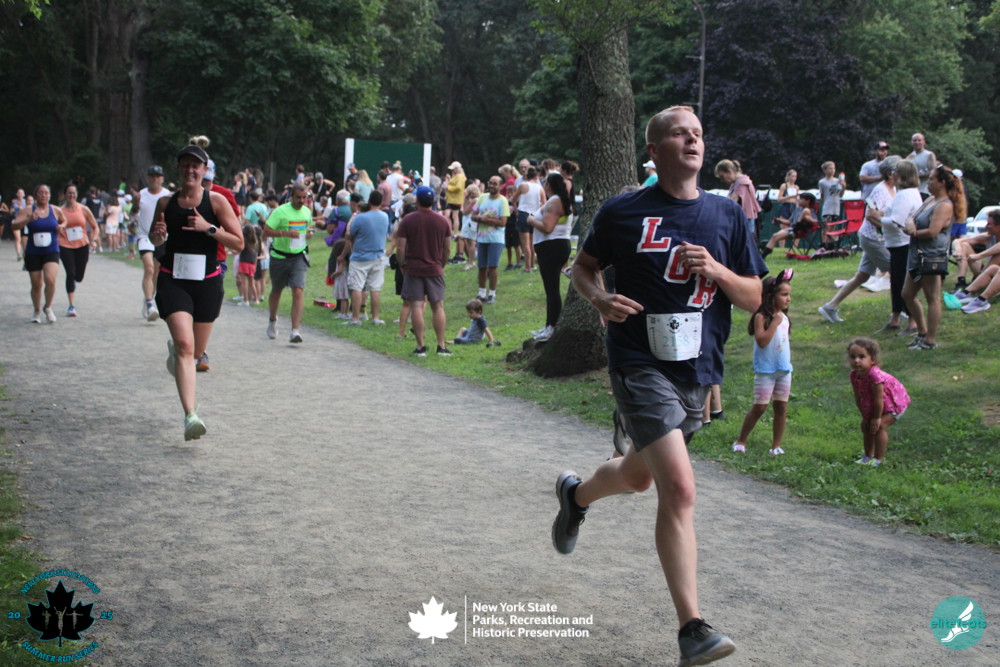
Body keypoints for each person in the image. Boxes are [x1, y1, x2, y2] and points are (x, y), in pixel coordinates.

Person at [552, 105, 765, 667]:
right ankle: (693, 629)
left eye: (698, 134)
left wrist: (717, 271)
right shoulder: (623, 211)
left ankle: (575, 496)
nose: (692, 141)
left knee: (639, 476)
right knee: (681, 488)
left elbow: (754, 297)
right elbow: (583, 268)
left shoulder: (726, 215)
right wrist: (601, 300)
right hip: (637, 363)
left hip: (697, 367)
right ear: (654, 150)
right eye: (679, 134)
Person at [148, 144, 243, 440]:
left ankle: (179, 356)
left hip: (207, 283)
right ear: (179, 168)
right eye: (186, 164)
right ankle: (191, 415)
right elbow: (155, 238)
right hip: (173, 279)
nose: (190, 169)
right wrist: (157, 237)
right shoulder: (166, 203)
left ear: (204, 170)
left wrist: (208, 228)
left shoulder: (216, 202)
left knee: (196, 353)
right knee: (185, 345)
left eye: (196, 165)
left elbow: (239, 242)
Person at [817, 156, 899, 324]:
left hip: (875, 238)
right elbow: (870, 214)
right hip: (873, 239)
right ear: (890, 174)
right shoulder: (881, 190)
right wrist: (887, 227)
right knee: (897, 273)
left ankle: (830, 307)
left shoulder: (894, 189)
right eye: (900, 170)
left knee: (862, 276)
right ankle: (899, 312)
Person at [901, 165, 966, 350]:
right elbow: (913, 217)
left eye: (931, 179)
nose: (927, 182)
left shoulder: (945, 205)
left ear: (942, 183)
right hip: (917, 254)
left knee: (932, 298)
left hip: (931, 257)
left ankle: (930, 340)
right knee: (907, 294)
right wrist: (909, 223)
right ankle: (922, 332)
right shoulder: (930, 199)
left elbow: (932, 232)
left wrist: (912, 232)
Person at [732, 270, 793, 456]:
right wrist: (774, 323)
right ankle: (741, 440)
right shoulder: (762, 317)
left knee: (781, 407)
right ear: (770, 296)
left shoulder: (784, 317)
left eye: (789, 295)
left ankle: (776, 446)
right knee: (760, 407)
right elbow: (762, 341)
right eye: (784, 294)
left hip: (784, 370)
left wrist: (779, 321)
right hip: (766, 371)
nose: (788, 299)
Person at [395, 185, 452, 356]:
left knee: (417, 306)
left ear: (417, 200)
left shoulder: (408, 220)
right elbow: (447, 249)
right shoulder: (443, 221)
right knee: (438, 306)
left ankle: (420, 346)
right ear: (433, 201)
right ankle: (441, 345)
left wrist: (402, 265)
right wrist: (441, 265)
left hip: (413, 268)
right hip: (434, 268)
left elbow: (400, 247)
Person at [876, 159, 923, 335]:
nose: (892, 174)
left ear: (902, 175)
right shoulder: (908, 192)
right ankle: (895, 318)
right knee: (896, 283)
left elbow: (897, 221)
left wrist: (879, 218)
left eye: (895, 171)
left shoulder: (905, 195)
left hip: (902, 244)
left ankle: (912, 322)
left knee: (903, 283)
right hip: (897, 244)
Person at [263, 182, 314, 343]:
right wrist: (285, 233)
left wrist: (309, 233)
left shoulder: (306, 211)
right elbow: (266, 231)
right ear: (291, 196)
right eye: (298, 197)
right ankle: (272, 320)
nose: (302, 201)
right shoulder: (280, 211)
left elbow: (309, 227)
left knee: (298, 290)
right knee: (276, 290)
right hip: (279, 256)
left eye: (304, 197)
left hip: (299, 256)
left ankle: (295, 331)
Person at [848, 337, 910, 467]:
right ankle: (867, 457)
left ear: (872, 359)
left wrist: (876, 418)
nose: (856, 360)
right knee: (866, 426)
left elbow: (878, 398)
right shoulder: (854, 375)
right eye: (853, 357)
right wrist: (865, 417)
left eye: (862, 357)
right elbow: (858, 397)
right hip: (878, 404)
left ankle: (878, 459)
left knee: (879, 426)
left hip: (894, 403)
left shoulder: (875, 376)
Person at [526, 172, 572, 341]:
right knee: (550, 289)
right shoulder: (557, 200)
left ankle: (552, 327)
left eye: (545, 183)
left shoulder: (554, 202)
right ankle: (548, 325)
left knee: (552, 289)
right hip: (553, 247)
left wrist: (531, 220)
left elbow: (547, 227)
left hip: (552, 247)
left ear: (549, 185)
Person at [12, 185, 67, 323]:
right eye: (41, 193)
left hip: (51, 250)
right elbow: (14, 225)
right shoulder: (28, 210)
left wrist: (61, 226)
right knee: (36, 284)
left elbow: (64, 220)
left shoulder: (55, 210)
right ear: (36, 195)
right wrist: (28, 219)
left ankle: (48, 307)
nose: (43, 195)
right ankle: (36, 311)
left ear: (50, 195)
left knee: (51, 280)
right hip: (33, 251)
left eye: (46, 193)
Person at [344, 190, 390, 326]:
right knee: (375, 288)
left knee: (357, 287)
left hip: (360, 256)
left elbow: (351, 234)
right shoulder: (385, 216)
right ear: (381, 202)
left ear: (369, 200)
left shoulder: (360, 218)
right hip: (378, 256)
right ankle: (375, 317)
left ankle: (355, 318)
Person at [136, 165, 173, 321]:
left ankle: (148, 298)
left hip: (161, 237)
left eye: (158, 176)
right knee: (149, 269)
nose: (154, 179)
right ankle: (150, 304)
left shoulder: (167, 195)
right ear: (148, 178)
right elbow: (134, 212)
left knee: (157, 273)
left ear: (162, 179)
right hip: (144, 236)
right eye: (152, 176)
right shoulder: (141, 195)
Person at [57, 184, 100, 317]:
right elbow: (54, 226)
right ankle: (71, 306)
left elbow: (95, 227)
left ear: (77, 195)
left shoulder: (84, 209)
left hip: (82, 245)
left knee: (79, 276)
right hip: (65, 245)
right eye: (69, 193)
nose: (71, 195)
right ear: (65, 195)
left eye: (73, 193)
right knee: (70, 273)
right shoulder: (59, 211)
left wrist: (93, 240)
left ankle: (74, 281)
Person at [471, 175, 510, 305]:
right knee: (481, 267)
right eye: (490, 183)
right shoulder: (482, 198)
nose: (491, 186)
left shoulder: (503, 201)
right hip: (482, 238)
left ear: (501, 186)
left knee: (492, 267)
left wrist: (485, 219)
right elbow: (473, 215)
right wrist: (478, 218)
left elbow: (503, 222)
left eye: (495, 184)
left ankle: (492, 293)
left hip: (496, 239)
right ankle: (481, 292)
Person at [954, 210, 1000, 313]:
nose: (986, 226)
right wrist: (958, 250)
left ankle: (981, 299)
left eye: (989, 224)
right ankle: (964, 289)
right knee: (964, 245)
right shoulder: (988, 236)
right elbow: (958, 241)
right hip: (988, 272)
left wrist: (979, 255)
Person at [714, 159, 761, 240]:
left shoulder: (741, 183)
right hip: (746, 220)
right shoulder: (740, 182)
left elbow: (731, 202)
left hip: (744, 221)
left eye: (722, 177)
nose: (722, 180)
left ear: (729, 171)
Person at [514, 166, 545, 274]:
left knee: (525, 243)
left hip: (524, 213)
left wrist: (516, 211)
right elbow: (544, 203)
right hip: (534, 214)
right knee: (532, 242)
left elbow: (514, 199)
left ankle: (527, 267)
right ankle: (532, 264)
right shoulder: (540, 188)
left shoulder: (523, 185)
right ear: (536, 177)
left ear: (526, 176)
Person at [817, 161, 846, 248]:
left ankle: (830, 244)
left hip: (836, 207)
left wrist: (843, 186)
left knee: (833, 226)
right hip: (827, 207)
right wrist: (821, 204)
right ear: (825, 170)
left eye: (833, 168)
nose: (832, 170)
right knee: (826, 226)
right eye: (830, 168)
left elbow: (840, 195)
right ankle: (823, 244)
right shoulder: (822, 182)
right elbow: (822, 195)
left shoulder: (838, 181)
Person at [444, 161, 466, 260]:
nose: (452, 170)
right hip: (451, 199)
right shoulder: (456, 176)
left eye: (453, 169)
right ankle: (451, 232)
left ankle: (455, 233)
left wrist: (448, 187)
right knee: (449, 215)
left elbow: (458, 188)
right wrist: (449, 180)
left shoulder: (460, 177)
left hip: (455, 199)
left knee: (455, 216)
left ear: (457, 169)